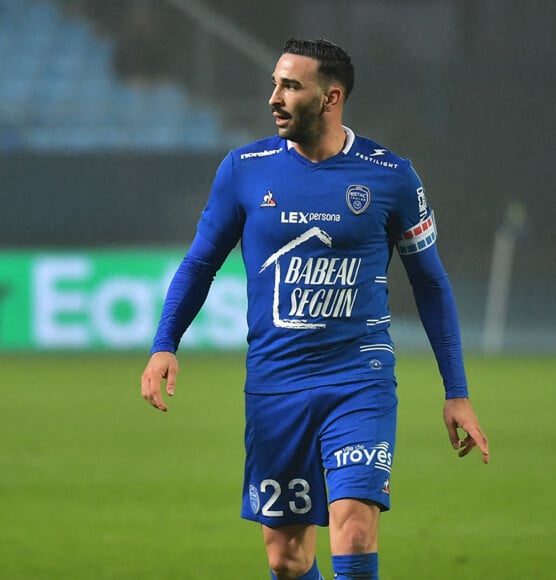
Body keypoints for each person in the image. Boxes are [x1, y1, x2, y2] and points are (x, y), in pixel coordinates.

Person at [141, 38, 489, 580]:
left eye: (290, 86)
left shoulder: (391, 176)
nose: (274, 98)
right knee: (286, 559)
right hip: (275, 385)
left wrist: (457, 392)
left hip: (359, 380)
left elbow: (432, 285)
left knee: (353, 529)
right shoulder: (244, 170)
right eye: (275, 84)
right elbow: (198, 264)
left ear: (330, 99)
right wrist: (165, 344)